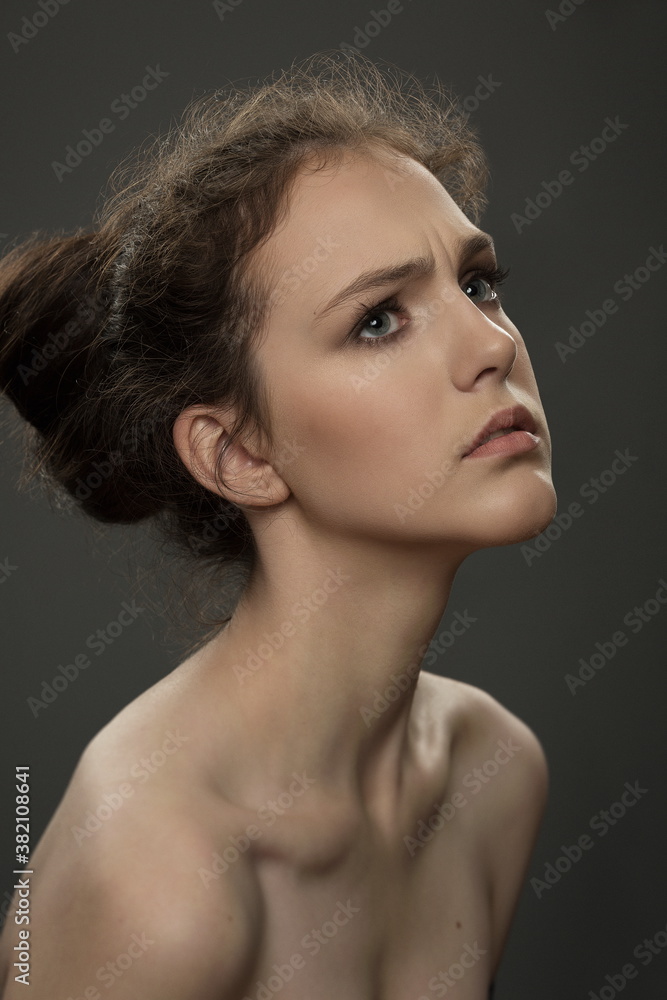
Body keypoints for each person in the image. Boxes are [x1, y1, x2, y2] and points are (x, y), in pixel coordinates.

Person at [0, 49, 556, 999]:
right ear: (238, 455)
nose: (492, 345)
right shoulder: (156, 882)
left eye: (476, 282)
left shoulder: (491, 774)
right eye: (377, 320)